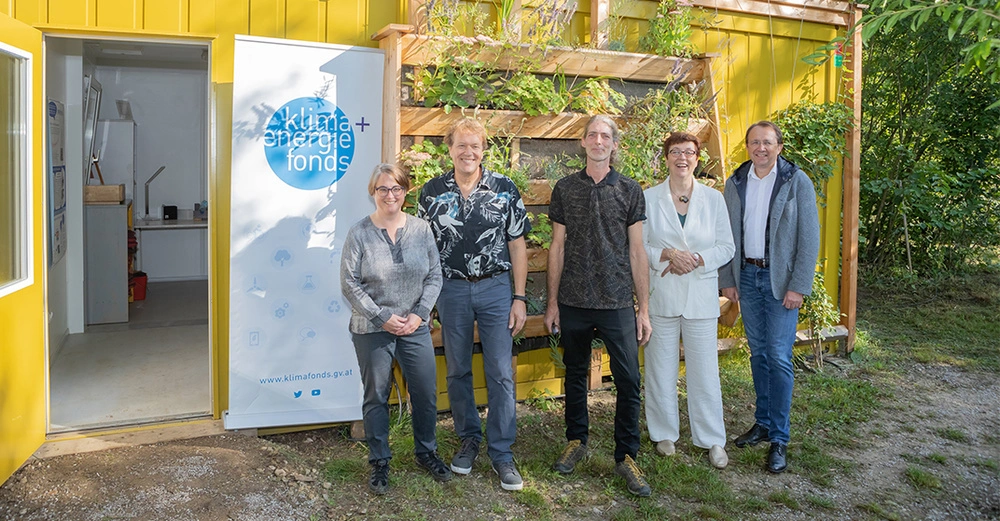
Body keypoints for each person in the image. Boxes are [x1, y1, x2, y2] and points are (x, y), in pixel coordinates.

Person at [417, 118, 530, 492]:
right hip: (450, 290)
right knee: (457, 369)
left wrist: (519, 297)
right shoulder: (431, 193)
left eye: (475, 146)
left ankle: (502, 453)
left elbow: (517, 245)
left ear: (484, 150)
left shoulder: (504, 188)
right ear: (448, 149)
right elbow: (423, 250)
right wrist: (427, 298)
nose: (468, 152)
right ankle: (468, 439)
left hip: (497, 289)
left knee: (500, 371)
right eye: (461, 145)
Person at [544, 115, 653, 497]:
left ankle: (626, 456)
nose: (598, 140)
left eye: (605, 135)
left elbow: (638, 252)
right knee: (574, 374)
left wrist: (643, 309)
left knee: (628, 380)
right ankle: (576, 440)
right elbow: (556, 247)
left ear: (614, 145)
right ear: (583, 142)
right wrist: (553, 302)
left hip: (617, 300)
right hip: (573, 299)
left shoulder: (629, 190)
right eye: (592, 134)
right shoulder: (565, 188)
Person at [340, 163, 452, 495]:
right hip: (372, 328)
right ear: (373, 193)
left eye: (397, 189)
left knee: (425, 393)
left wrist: (419, 314)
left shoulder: (421, 229)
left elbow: (435, 275)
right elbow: (349, 283)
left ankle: (426, 452)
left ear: (406, 192)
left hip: (415, 327)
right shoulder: (359, 232)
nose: (390, 195)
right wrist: (380, 317)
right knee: (376, 395)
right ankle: (379, 461)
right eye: (383, 189)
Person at [719, 121, 820, 474]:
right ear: (747, 146)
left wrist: (798, 286)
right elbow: (728, 234)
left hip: (781, 282)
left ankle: (779, 437)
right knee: (758, 353)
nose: (760, 148)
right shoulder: (736, 182)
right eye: (754, 143)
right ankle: (762, 423)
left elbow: (809, 238)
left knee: (778, 357)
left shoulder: (796, 181)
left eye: (767, 142)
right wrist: (728, 279)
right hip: (746, 277)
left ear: (779, 146)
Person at [642, 133, 735, 470]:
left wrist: (694, 258)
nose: (682, 157)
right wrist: (666, 254)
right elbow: (639, 247)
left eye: (690, 152)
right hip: (662, 294)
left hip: (700, 295)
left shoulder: (713, 199)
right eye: (675, 152)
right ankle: (664, 433)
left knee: (705, 371)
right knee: (659, 367)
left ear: (698, 158)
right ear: (666, 157)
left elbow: (726, 247)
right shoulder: (648, 197)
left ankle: (711, 438)